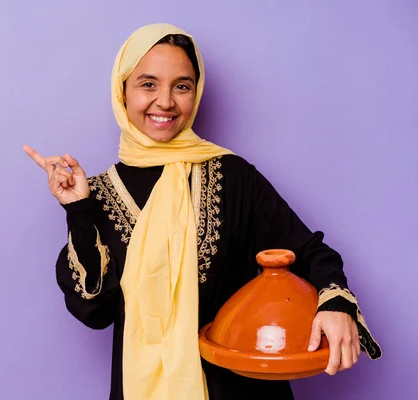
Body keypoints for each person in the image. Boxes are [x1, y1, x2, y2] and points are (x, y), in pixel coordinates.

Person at [23, 23, 381, 400]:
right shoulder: (97, 194)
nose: (165, 101)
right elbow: (96, 312)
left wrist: (336, 303)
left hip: (241, 390)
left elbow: (309, 252)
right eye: (148, 84)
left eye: (182, 86)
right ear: (122, 90)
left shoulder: (232, 176)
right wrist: (78, 210)